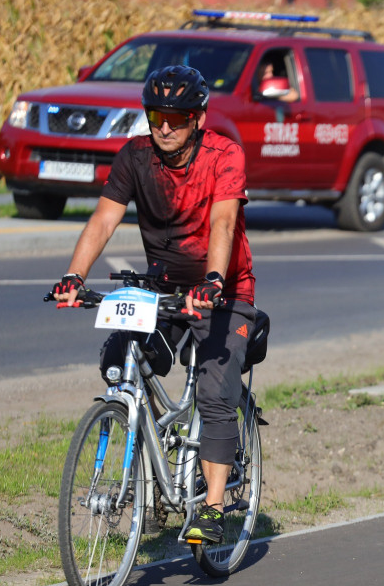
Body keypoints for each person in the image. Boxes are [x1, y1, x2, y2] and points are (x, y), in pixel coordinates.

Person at [51, 65, 257, 544]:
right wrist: (73, 276)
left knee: (214, 392)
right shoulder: (135, 156)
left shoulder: (224, 154)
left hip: (223, 289)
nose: (165, 126)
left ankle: (211, 506)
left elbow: (223, 224)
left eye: (177, 117)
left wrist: (212, 280)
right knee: (118, 360)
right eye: (157, 115)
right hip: (162, 290)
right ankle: (148, 463)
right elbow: (103, 221)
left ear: (198, 117)